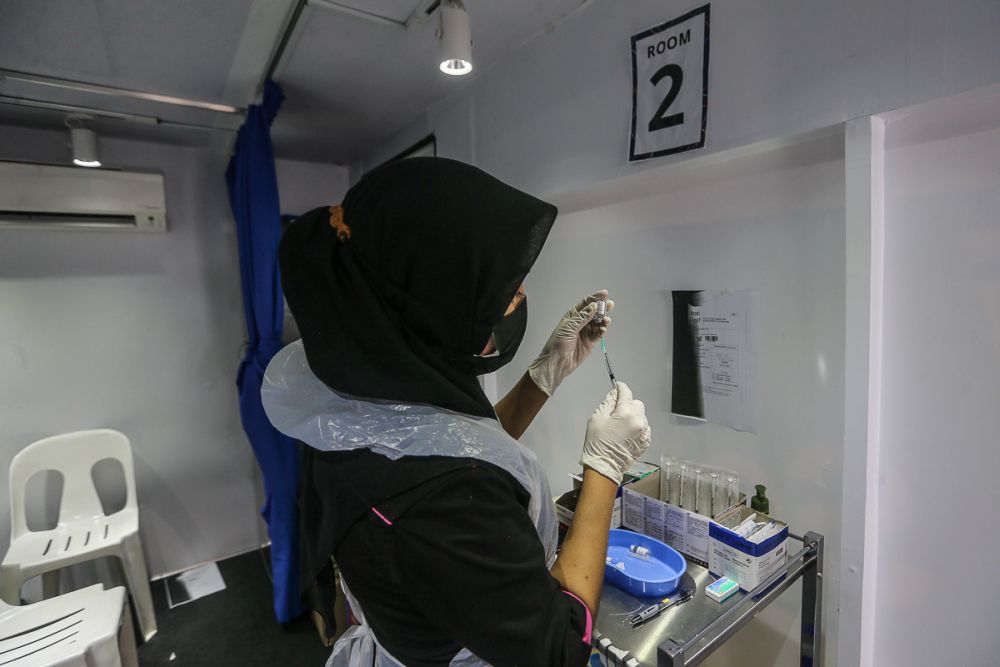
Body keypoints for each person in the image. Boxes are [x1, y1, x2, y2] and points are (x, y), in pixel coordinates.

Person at [263, 157, 651, 667]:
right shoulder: (441, 505)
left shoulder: (355, 391)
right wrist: (604, 466)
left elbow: (452, 445)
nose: (518, 299)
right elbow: (560, 644)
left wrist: (544, 375)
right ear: (431, 302)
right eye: (498, 290)